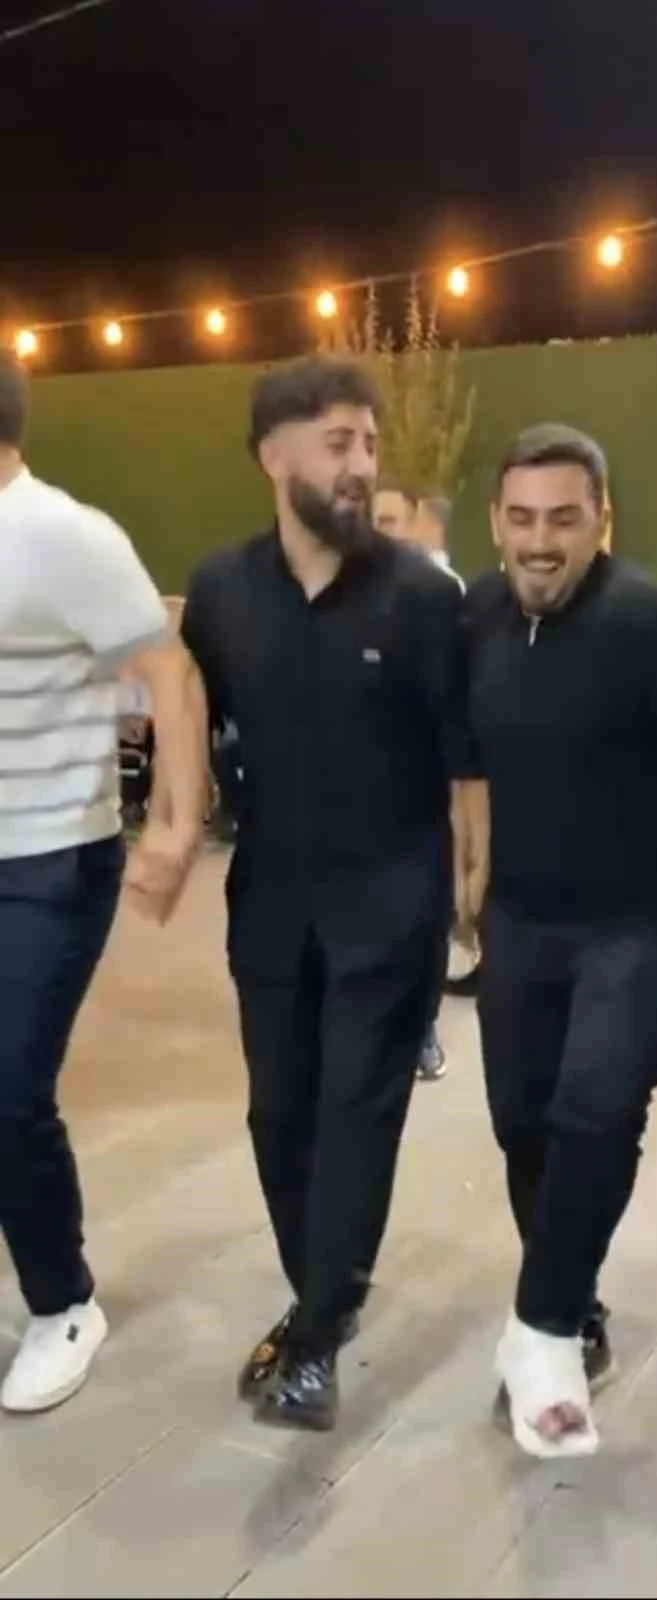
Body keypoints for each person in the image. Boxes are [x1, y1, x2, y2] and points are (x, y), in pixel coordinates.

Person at [181, 355, 484, 1433]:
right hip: (267, 900)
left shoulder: (423, 597)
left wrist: (472, 882)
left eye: (369, 443)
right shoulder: (221, 590)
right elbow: (188, 708)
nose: (361, 464)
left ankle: (315, 1333)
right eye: (337, 443)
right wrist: (172, 825)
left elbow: (466, 759)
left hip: (392, 901)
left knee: (357, 1112)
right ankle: (321, 1292)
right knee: (279, 1112)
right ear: (273, 456)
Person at [465, 424, 657, 1458]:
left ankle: (540, 1332)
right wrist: (468, 865)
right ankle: (572, 1304)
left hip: (636, 923)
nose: (541, 540)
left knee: (594, 1113)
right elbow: (467, 754)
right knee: (522, 1124)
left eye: (564, 518)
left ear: (602, 521)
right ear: (496, 523)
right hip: (519, 918)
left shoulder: (655, 625)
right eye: (522, 518)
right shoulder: (477, 617)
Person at [0, 351, 207, 1415]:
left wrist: (176, 819)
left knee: (8, 1093)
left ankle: (64, 1303)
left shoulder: (65, 537)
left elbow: (170, 672)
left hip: (47, 859)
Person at [372, 484, 464, 1082]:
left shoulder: (439, 593)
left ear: (414, 526)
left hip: (424, 793)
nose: (376, 530)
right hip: (358, 796)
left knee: (423, 921)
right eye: (371, 519)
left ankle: (422, 1029)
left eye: (388, 520)